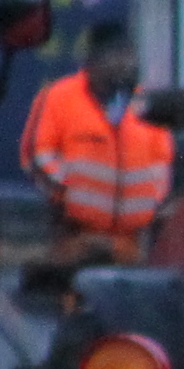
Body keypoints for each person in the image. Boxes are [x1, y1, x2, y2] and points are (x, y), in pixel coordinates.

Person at [23, 19, 173, 252]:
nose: (126, 63)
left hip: (131, 244)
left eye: (129, 55)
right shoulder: (58, 97)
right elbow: (36, 154)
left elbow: (162, 161)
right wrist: (68, 194)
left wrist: (150, 202)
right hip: (76, 238)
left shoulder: (146, 105)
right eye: (116, 54)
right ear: (93, 60)